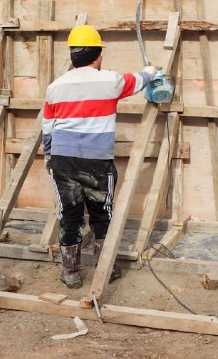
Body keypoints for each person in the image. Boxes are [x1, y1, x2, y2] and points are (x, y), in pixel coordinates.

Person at [42, 25, 156, 288]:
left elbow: (48, 127)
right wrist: (151, 71)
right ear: (98, 55)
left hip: (63, 159)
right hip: (97, 162)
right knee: (102, 214)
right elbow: (139, 80)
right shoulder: (111, 81)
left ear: (73, 55)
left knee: (69, 215)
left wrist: (49, 155)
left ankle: (71, 273)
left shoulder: (55, 87)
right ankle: (107, 269)